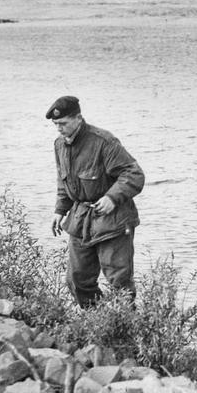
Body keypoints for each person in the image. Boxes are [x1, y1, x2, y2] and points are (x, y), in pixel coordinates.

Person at [46, 95, 145, 307]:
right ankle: (98, 325)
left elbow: (134, 174)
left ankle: (125, 332)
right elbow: (64, 181)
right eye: (56, 124)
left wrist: (112, 197)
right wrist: (60, 210)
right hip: (80, 220)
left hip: (113, 220)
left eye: (63, 123)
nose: (59, 129)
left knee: (119, 283)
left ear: (78, 118)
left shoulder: (103, 142)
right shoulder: (59, 145)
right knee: (77, 280)